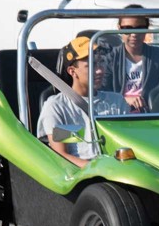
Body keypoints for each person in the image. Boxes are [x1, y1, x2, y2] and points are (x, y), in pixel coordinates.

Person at [37, 36, 129, 167]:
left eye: (100, 63)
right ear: (72, 71)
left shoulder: (117, 101)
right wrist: (97, 170)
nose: (99, 70)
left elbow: (127, 144)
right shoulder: (58, 107)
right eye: (91, 65)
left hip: (119, 168)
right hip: (82, 176)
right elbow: (62, 156)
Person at [102, 6, 159, 112]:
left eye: (140, 28)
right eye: (127, 29)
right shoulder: (109, 58)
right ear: (119, 28)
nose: (134, 34)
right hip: (118, 113)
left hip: (151, 115)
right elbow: (101, 93)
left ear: (147, 28)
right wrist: (124, 100)